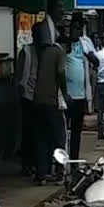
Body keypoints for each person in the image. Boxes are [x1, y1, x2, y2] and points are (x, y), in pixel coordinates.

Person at [34, 24, 67, 185]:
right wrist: (65, 93)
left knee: (42, 138)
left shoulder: (44, 51)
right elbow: (60, 72)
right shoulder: (59, 52)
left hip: (38, 100)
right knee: (59, 138)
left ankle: (41, 175)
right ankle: (60, 174)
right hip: (51, 102)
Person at [65, 18, 98, 160]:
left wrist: (88, 54)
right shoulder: (64, 44)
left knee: (76, 132)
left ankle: (74, 161)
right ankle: (62, 163)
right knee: (64, 132)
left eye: (80, 29)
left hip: (80, 96)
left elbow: (95, 61)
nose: (77, 32)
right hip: (66, 96)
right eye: (75, 28)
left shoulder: (84, 44)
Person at [16, 24, 41, 175]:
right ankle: (27, 163)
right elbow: (23, 77)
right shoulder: (27, 51)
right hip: (27, 96)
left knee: (36, 132)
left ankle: (33, 162)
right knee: (28, 131)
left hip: (38, 96)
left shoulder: (42, 51)